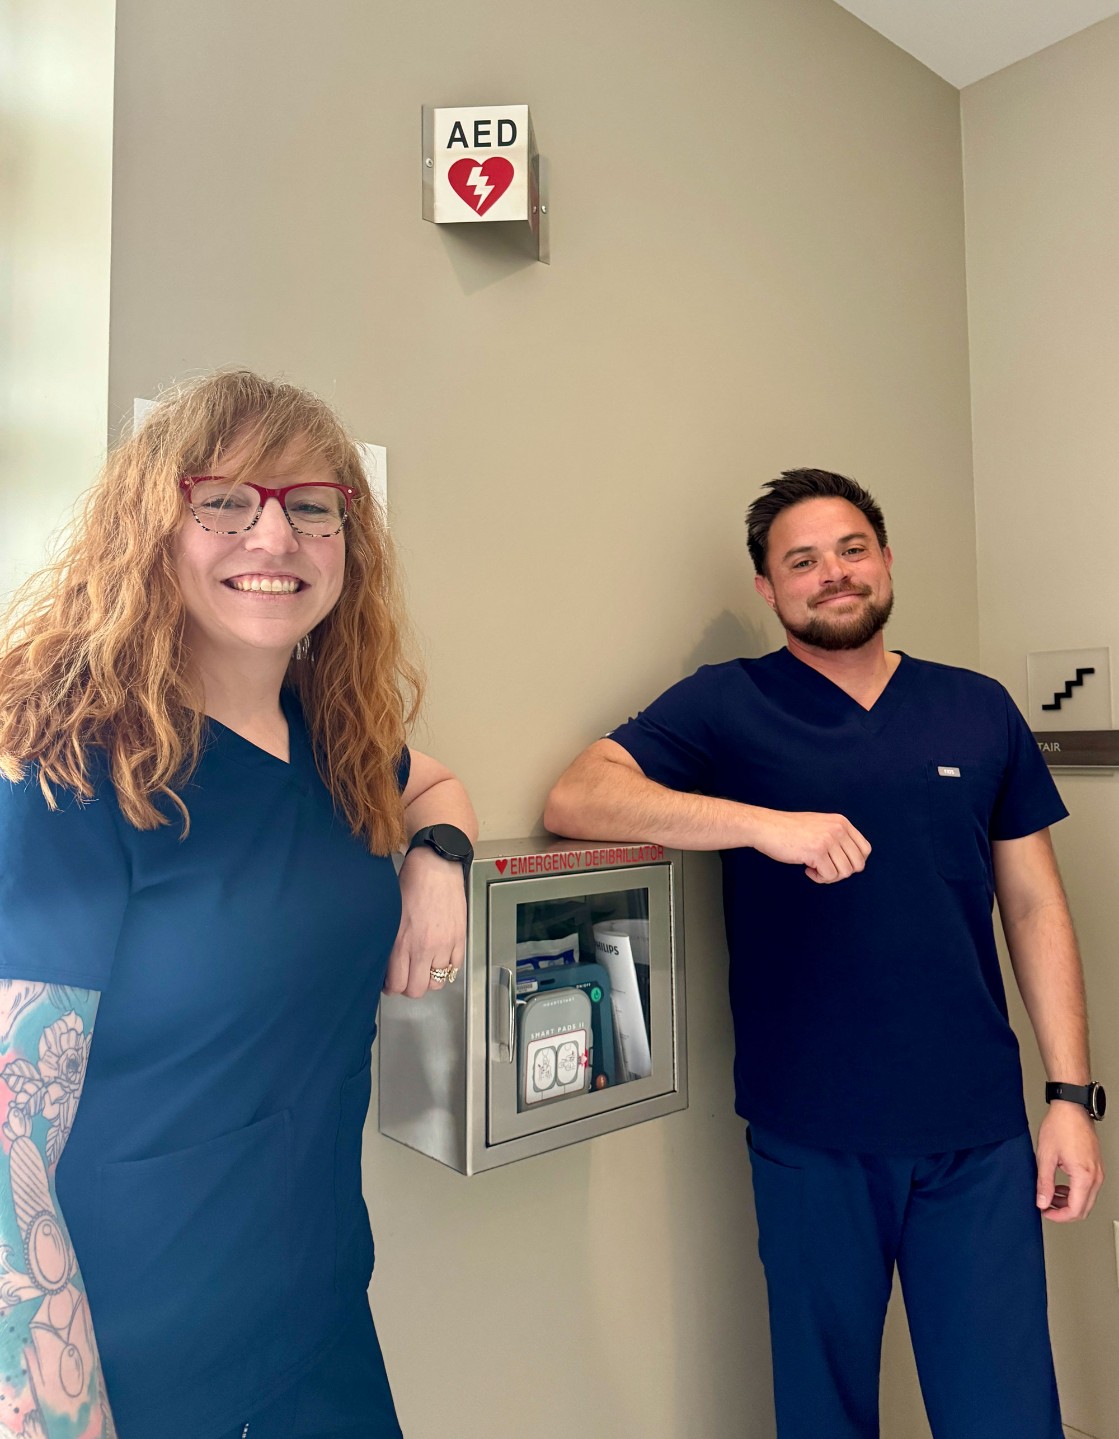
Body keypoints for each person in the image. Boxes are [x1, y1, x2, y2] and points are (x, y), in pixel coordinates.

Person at [544, 468, 1105, 1438]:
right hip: (812, 1131)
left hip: (975, 1131)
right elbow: (578, 795)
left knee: (1006, 1411)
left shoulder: (976, 709)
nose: (832, 573)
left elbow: (1034, 902)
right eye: (800, 560)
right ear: (768, 588)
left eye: (851, 549)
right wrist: (761, 824)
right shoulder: (729, 705)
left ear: (886, 561)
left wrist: (1070, 1095)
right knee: (823, 1412)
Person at [0, 371, 477, 1439]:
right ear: (151, 530)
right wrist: (55, 1415)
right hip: (132, 1364)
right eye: (224, 500)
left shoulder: (334, 738)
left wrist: (437, 858)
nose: (275, 535)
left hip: (319, 1324)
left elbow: (433, 783)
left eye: (312, 505)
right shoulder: (73, 775)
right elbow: (6, 1150)